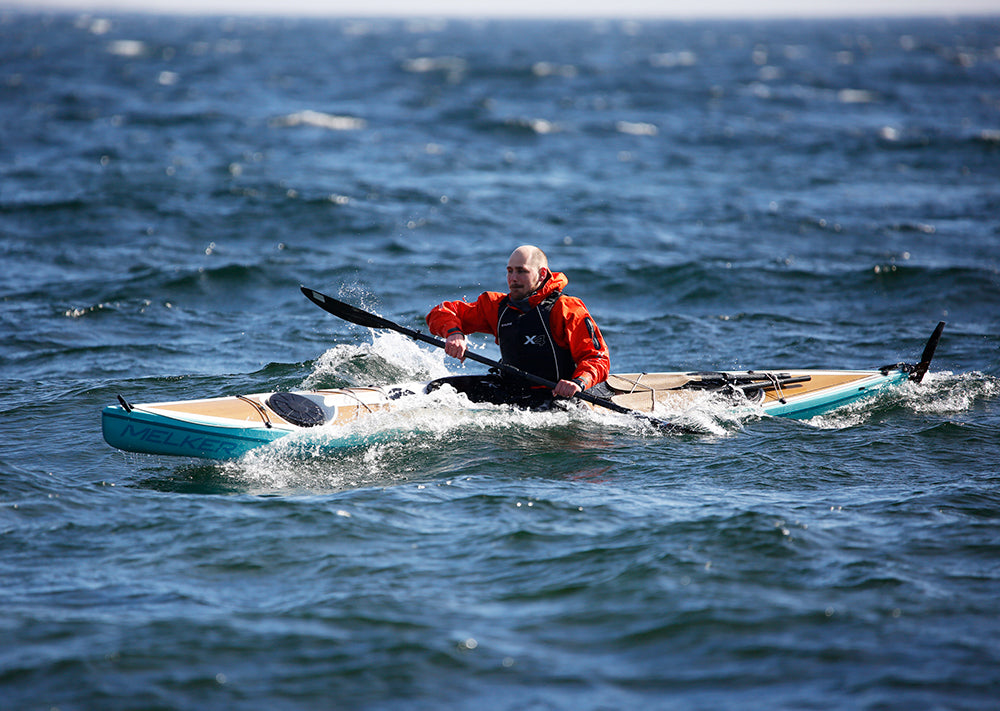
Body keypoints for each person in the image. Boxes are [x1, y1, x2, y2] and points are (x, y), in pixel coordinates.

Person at [425, 245, 610, 407]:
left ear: (542, 274)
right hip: (509, 391)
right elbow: (442, 312)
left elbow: (597, 358)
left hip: (555, 397)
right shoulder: (496, 306)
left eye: (521, 271)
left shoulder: (566, 309)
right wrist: (453, 333)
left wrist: (578, 382)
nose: (513, 278)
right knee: (438, 391)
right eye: (509, 271)